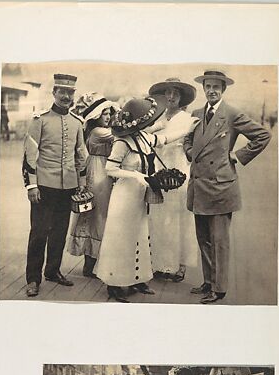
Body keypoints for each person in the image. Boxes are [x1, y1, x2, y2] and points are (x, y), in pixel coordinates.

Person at [95, 96, 199, 302]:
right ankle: (114, 284)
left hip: (139, 196)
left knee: (140, 235)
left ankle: (138, 279)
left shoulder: (143, 138)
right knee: (121, 239)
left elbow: (164, 140)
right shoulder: (122, 142)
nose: (150, 125)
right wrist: (139, 176)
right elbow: (110, 169)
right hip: (124, 196)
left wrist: (187, 130)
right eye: (147, 122)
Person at [183, 69, 272, 303]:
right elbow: (188, 138)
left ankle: (219, 288)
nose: (211, 91)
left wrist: (238, 155)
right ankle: (208, 281)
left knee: (219, 241)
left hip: (220, 186)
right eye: (208, 86)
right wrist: (190, 152)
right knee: (203, 237)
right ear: (204, 88)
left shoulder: (231, 113)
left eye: (216, 87)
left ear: (223, 90)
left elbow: (262, 135)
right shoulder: (196, 113)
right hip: (199, 183)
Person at [22, 73, 88, 297]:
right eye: (62, 92)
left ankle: (52, 271)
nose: (67, 96)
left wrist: (81, 183)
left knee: (59, 232)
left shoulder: (77, 123)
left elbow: (82, 155)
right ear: (54, 93)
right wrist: (31, 186)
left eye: (70, 92)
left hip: (67, 187)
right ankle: (33, 279)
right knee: (39, 232)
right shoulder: (39, 120)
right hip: (44, 186)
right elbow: (30, 155)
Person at [147, 77, 198, 282]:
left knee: (179, 219)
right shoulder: (158, 119)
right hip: (159, 169)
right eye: (167, 93)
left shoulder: (188, 120)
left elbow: (188, 141)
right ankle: (160, 264)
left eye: (175, 94)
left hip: (179, 169)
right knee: (159, 218)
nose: (170, 97)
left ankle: (180, 265)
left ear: (181, 97)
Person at [67, 96, 119, 277]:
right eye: (104, 114)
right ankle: (92, 264)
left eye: (109, 113)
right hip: (98, 172)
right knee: (98, 215)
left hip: (103, 171)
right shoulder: (98, 131)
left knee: (99, 215)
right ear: (96, 116)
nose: (107, 117)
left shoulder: (102, 130)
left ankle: (93, 263)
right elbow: (121, 133)